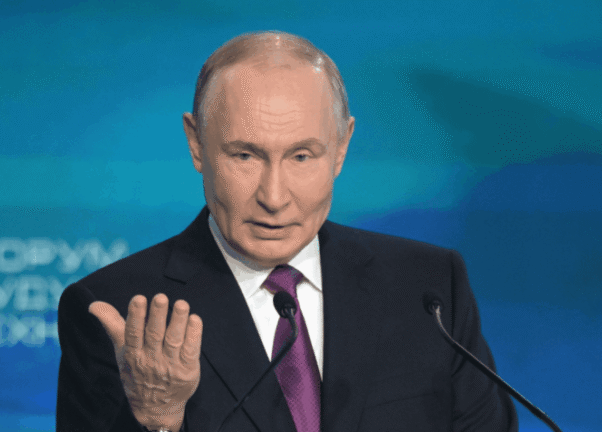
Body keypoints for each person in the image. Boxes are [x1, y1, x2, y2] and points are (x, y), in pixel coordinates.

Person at [56, 30, 518, 432]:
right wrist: (159, 422)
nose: (274, 197)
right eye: (244, 156)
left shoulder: (428, 289)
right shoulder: (115, 311)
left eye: (301, 156)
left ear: (341, 147)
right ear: (196, 144)